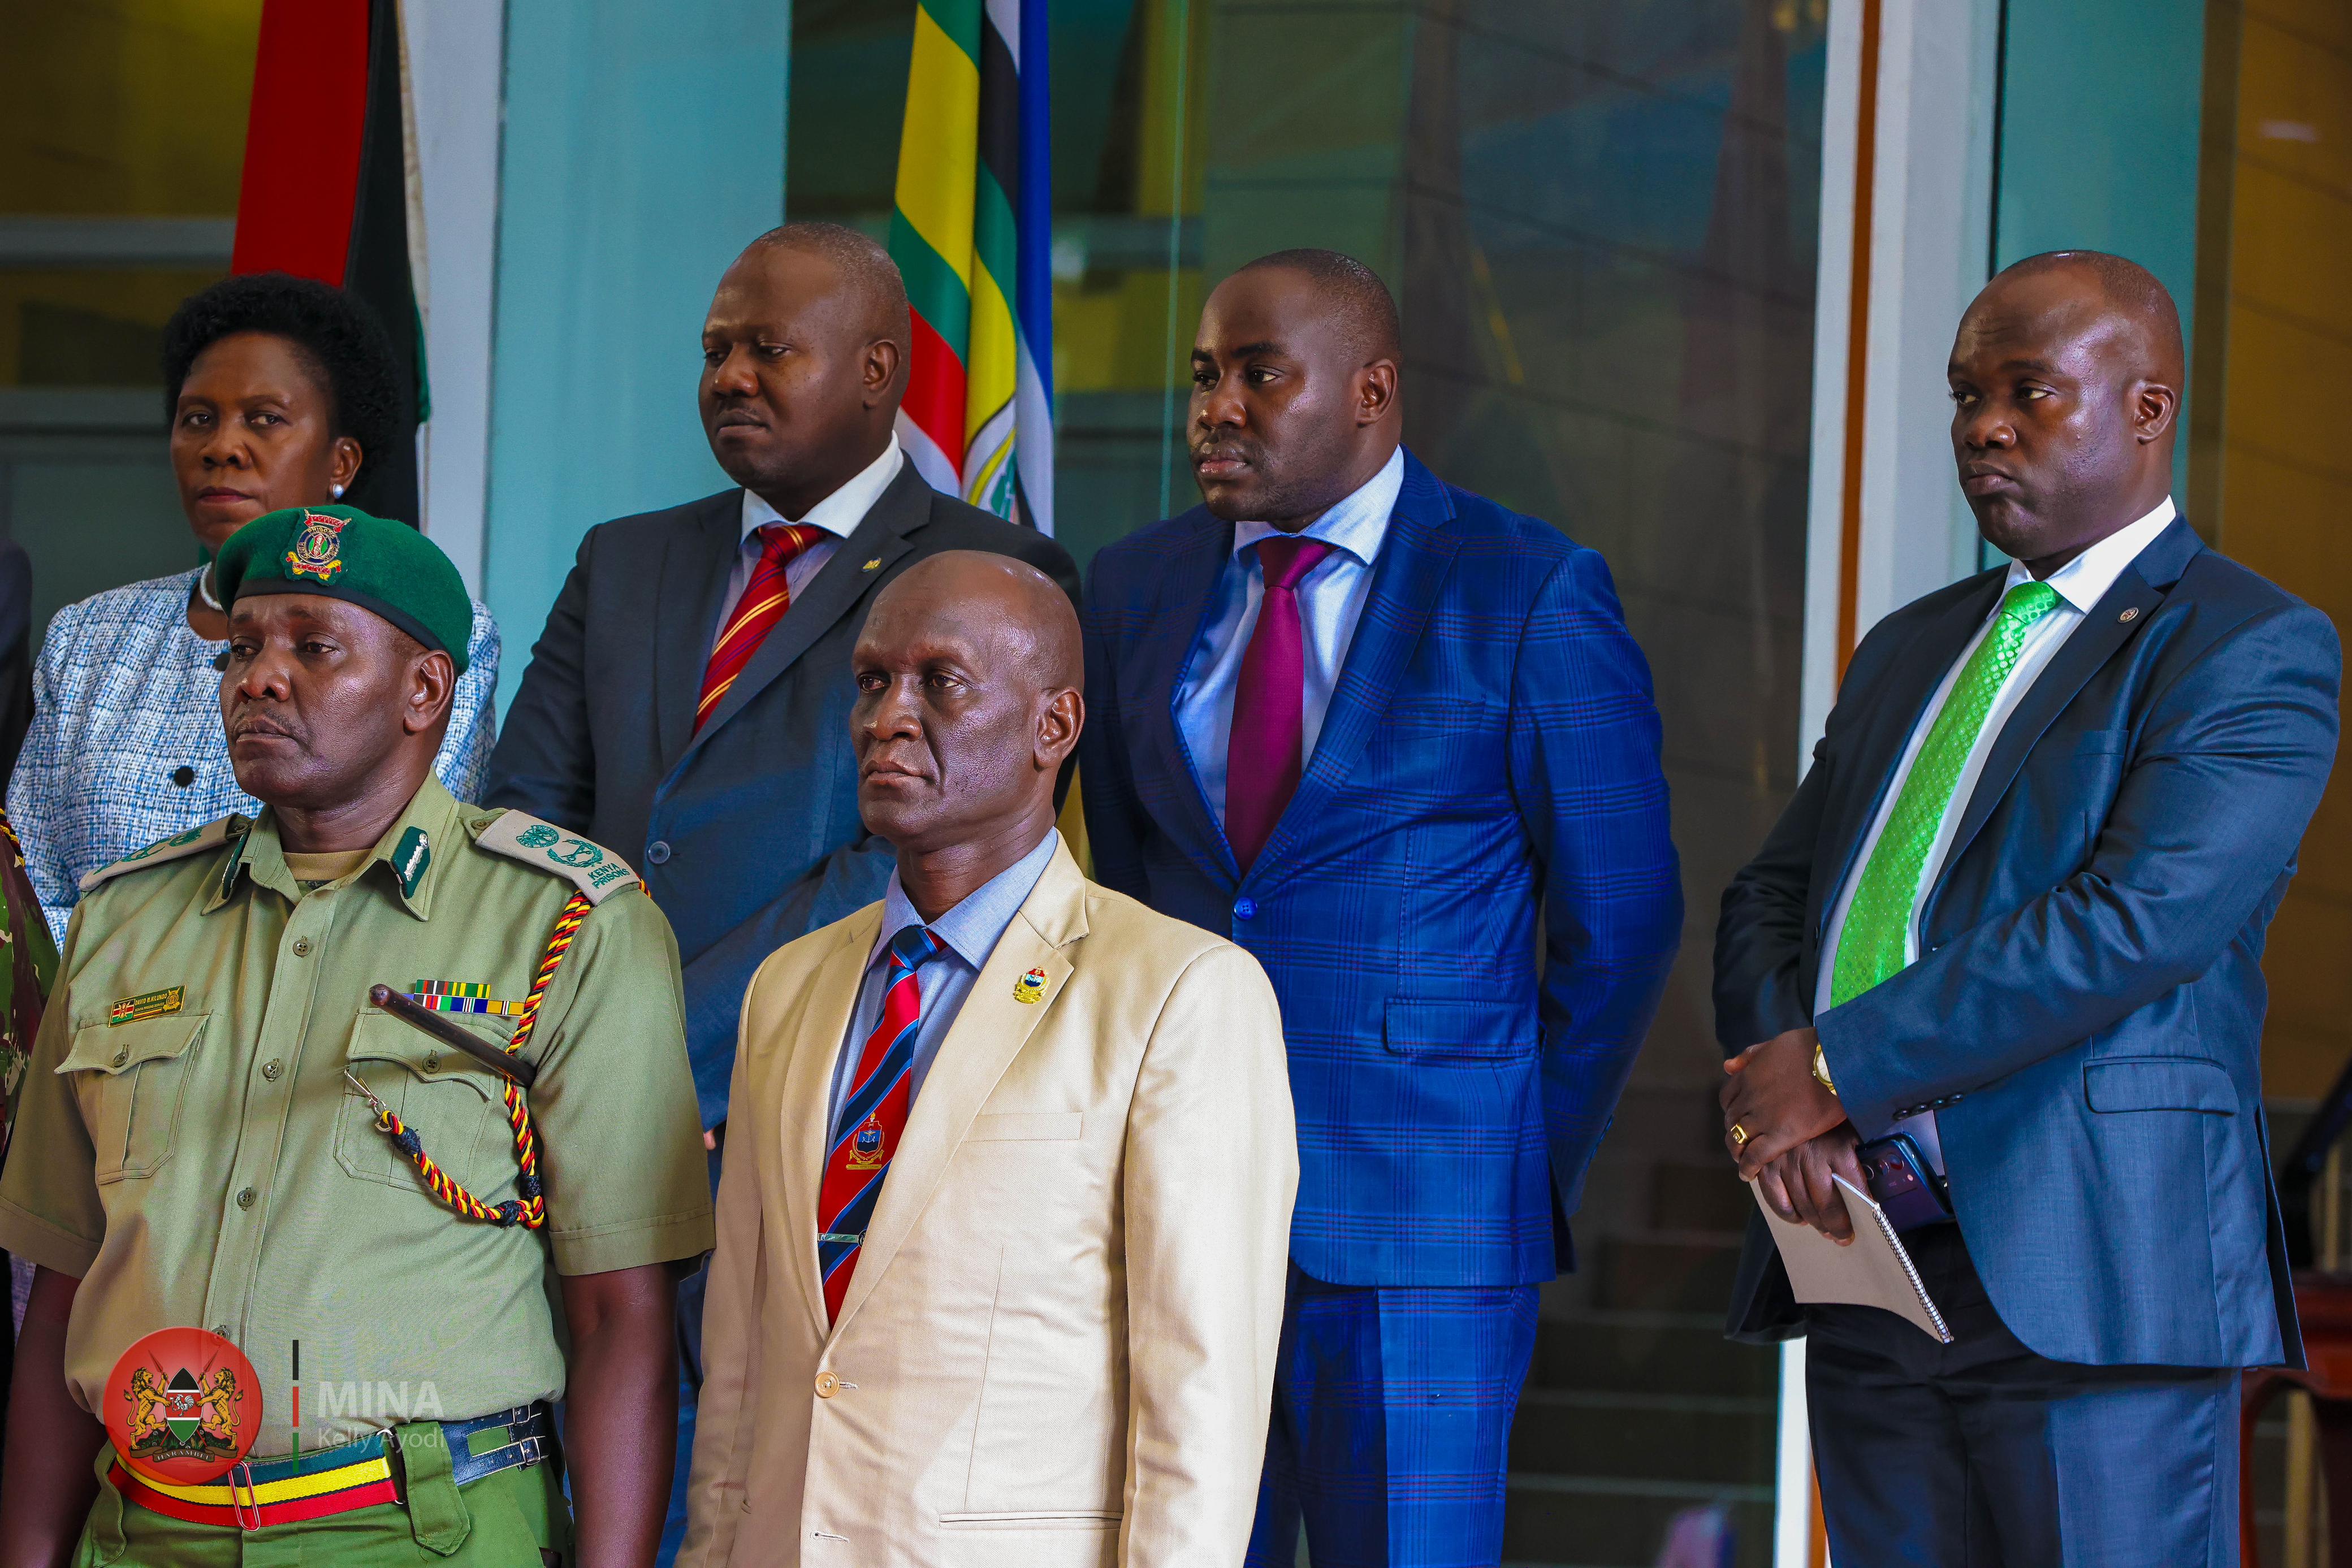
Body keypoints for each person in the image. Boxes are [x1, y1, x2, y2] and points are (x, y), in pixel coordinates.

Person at [1714, 252, 2340, 1564]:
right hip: (1871, 1263)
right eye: (1964, 397)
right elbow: (1776, 890)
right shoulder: (1908, 646)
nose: (1983, 427)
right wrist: (1787, 1100)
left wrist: (1834, 1066)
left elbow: (2138, 920)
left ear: (2147, 411)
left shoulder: (2246, 645)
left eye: (2028, 393)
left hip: (2094, 1270)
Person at [1079, 250, 1683, 1566]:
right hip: (1178, 1211)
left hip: (1427, 1227)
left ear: (1372, 389)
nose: (1215, 407)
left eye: (1257, 373)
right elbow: (1132, 897)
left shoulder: (1524, 589)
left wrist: (1508, 1159)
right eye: (1201, 376)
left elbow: (1622, 921)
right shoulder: (1127, 591)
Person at [0, 506, 712, 1566]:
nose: (258, 678)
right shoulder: (126, 920)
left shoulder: (564, 922)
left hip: (425, 1527)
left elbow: (620, 1317)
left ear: (427, 690)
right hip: (145, 1522)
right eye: (242, 649)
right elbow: (65, 1284)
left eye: (312, 647)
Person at [681, 552, 1295, 1567]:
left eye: (941, 681)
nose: (888, 716)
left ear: (1054, 725)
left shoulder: (1181, 993)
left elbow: (1201, 1396)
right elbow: (741, 1360)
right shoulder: (784, 990)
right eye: (873, 680)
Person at [484, 222, 1078, 1137]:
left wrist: (665, 1044)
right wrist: (562, 1029)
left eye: (770, 350)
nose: (729, 377)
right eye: (716, 351)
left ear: (876, 371)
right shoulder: (623, 559)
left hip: (815, 1092)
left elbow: (928, 854)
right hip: (570, 1086)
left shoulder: (994, 570)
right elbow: (528, 810)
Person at [9, 273, 500, 943]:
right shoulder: (87, 635)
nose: (221, 447)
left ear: (342, 460)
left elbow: (401, 880)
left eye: (264, 419)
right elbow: (25, 897)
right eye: (197, 419)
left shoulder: (428, 633)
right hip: (84, 1030)